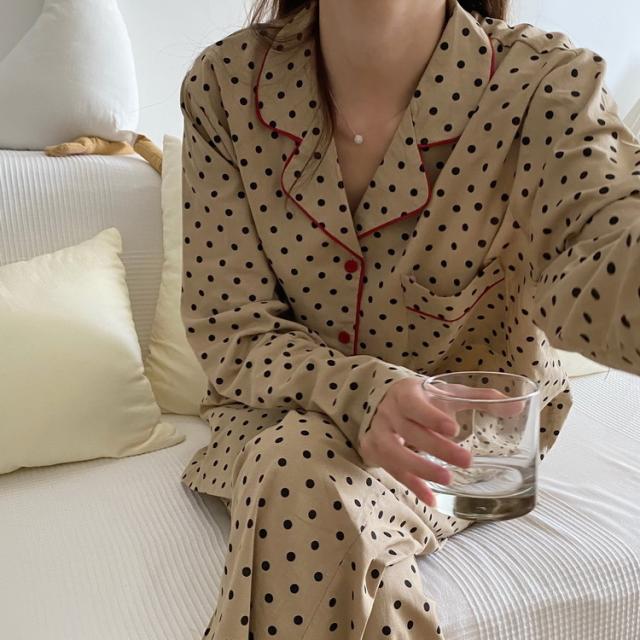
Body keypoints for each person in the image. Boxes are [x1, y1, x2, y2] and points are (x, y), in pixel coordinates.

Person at [179, 0, 640, 637]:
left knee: (298, 475)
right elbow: (231, 325)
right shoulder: (227, 84)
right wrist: (361, 392)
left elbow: (600, 246)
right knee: (297, 464)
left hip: (465, 444)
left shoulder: (547, 86)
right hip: (277, 414)